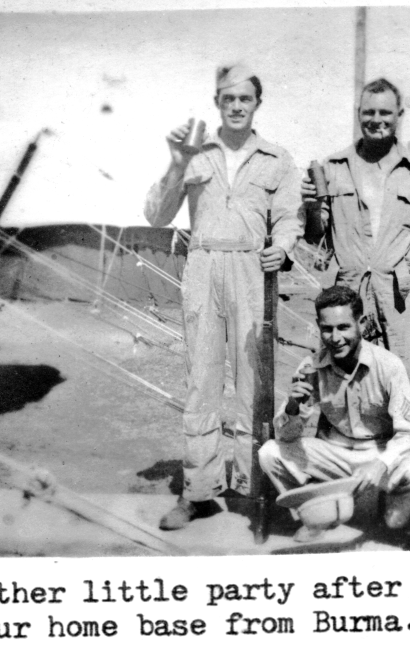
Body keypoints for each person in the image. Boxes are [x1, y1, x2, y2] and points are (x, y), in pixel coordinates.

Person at [144, 64, 303, 530]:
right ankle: (198, 492)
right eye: (228, 99)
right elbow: (156, 215)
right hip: (204, 266)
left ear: (257, 104)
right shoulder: (194, 153)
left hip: (253, 269)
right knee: (203, 384)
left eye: (245, 100)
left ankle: (255, 492)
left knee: (254, 384)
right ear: (216, 102)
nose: (236, 107)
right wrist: (176, 160)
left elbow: (290, 217)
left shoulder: (277, 158)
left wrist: (284, 245)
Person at [301, 78, 410, 408]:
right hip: (348, 294)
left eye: (385, 112)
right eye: (368, 112)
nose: (376, 120)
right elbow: (314, 235)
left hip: (398, 297)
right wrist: (310, 205)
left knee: (401, 387)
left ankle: (401, 458)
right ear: (357, 114)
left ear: (399, 115)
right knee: (344, 389)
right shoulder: (332, 168)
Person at [259, 285, 410, 542]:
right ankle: (316, 512)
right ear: (319, 326)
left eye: (343, 327)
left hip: (378, 453)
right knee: (270, 452)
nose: (335, 337)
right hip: (336, 452)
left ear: (360, 324)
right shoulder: (311, 366)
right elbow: (286, 438)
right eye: (327, 329)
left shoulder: (388, 366)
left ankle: (396, 509)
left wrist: (380, 464)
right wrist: (293, 407)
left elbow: (409, 435)